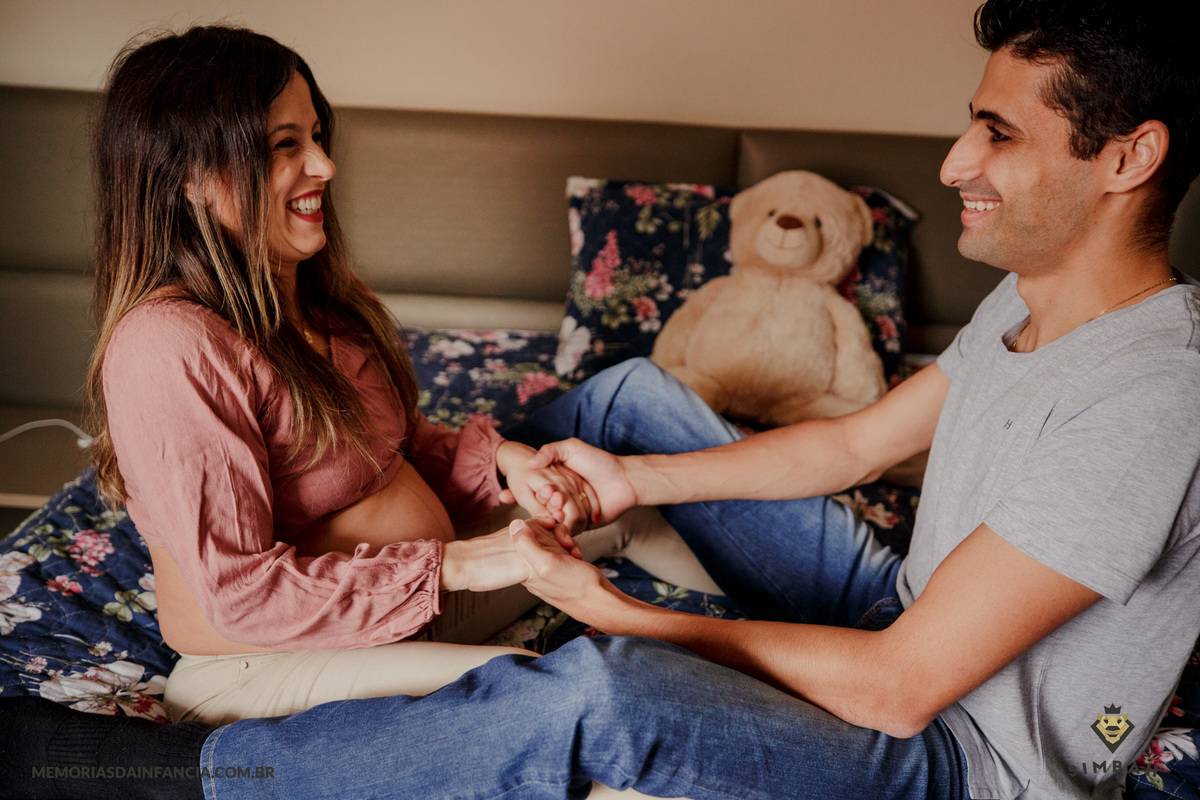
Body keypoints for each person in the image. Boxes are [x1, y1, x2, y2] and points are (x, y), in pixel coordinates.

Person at [4, 1, 1199, 799]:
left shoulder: (1152, 395)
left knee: (604, 688)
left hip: (955, 747)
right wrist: (628, 478)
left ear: (1127, 159)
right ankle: (596, 486)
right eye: (283, 145)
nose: (951, 166)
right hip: (912, 602)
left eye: (993, 134)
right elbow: (857, 441)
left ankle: (191, 776)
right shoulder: (1033, 295)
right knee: (628, 396)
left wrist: (613, 609)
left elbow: (897, 685)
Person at [79, 24, 597, 726]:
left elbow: (392, 445)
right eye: (284, 145)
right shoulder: (169, 343)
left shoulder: (312, 289)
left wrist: (509, 462)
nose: (323, 165)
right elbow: (241, 595)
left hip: (406, 604)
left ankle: (777, 644)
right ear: (190, 179)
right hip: (263, 661)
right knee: (564, 697)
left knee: (610, 494)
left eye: (316, 136)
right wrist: (468, 565)